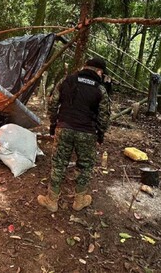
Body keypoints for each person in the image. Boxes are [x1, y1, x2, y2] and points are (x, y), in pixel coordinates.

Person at [37, 57, 111, 212]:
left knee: (59, 163)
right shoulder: (100, 88)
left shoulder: (67, 80)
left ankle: (51, 201)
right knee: (85, 166)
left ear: (85, 67)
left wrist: (53, 123)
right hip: (87, 132)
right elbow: (104, 116)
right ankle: (79, 201)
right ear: (99, 71)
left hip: (64, 128)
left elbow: (53, 103)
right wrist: (100, 133)